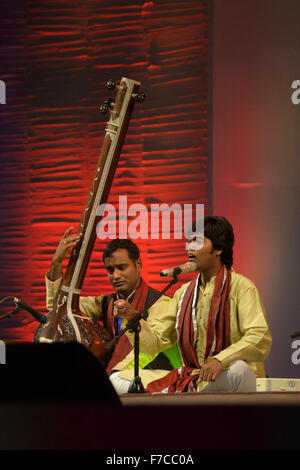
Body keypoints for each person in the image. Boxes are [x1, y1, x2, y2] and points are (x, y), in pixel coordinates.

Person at [114, 216, 272, 393]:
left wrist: (220, 360)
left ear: (218, 248)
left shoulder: (242, 288)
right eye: (188, 242)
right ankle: (187, 390)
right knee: (116, 380)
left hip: (227, 375)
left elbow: (259, 336)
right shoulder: (183, 293)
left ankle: (189, 392)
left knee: (240, 371)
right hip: (192, 377)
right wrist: (133, 317)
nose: (189, 247)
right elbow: (156, 342)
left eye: (196, 241)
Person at [45, 227, 182, 392]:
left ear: (138, 264)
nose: (115, 275)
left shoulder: (160, 303)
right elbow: (59, 309)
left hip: (157, 379)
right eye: (110, 270)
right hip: (118, 380)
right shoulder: (107, 302)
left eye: (122, 267)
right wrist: (56, 264)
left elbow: (148, 350)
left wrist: (112, 374)